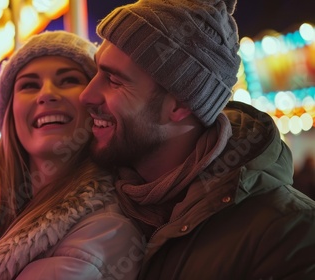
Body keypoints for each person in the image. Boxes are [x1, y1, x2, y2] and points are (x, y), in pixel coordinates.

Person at [79, 0, 315, 279]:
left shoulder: (289, 235)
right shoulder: (88, 201)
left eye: (114, 80)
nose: (86, 96)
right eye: (96, 71)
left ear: (179, 105)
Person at [0, 31, 143, 280]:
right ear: (10, 115)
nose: (46, 94)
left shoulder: (105, 231)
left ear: (94, 104)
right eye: (29, 85)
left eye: (68, 80)